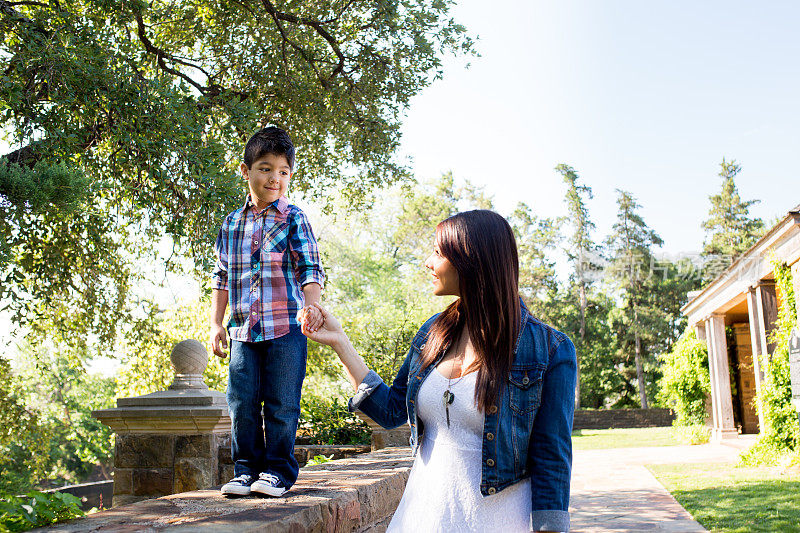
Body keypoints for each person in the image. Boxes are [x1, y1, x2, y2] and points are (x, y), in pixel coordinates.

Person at [301, 210, 575, 532]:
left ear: (471, 260)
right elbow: (391, 410)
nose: (428, 263)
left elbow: (552, 454)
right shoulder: (435, 331)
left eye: (438, 252)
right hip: (420, 516)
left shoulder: (549, 349)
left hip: (496, 521)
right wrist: (340, 342)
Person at [210, 126, 325, 497]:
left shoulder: (294, 217)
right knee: (241, 403)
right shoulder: (231, 223)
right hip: (243, 329)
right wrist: (215, 323)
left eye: (283, 171)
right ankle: (245, 470)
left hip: (286, 328)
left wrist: (314, 306)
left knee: (281, 402)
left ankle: (278, 471)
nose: (274, 178)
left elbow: (309, 267)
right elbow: (222, 276)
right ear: (245, 171)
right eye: (265, 168)